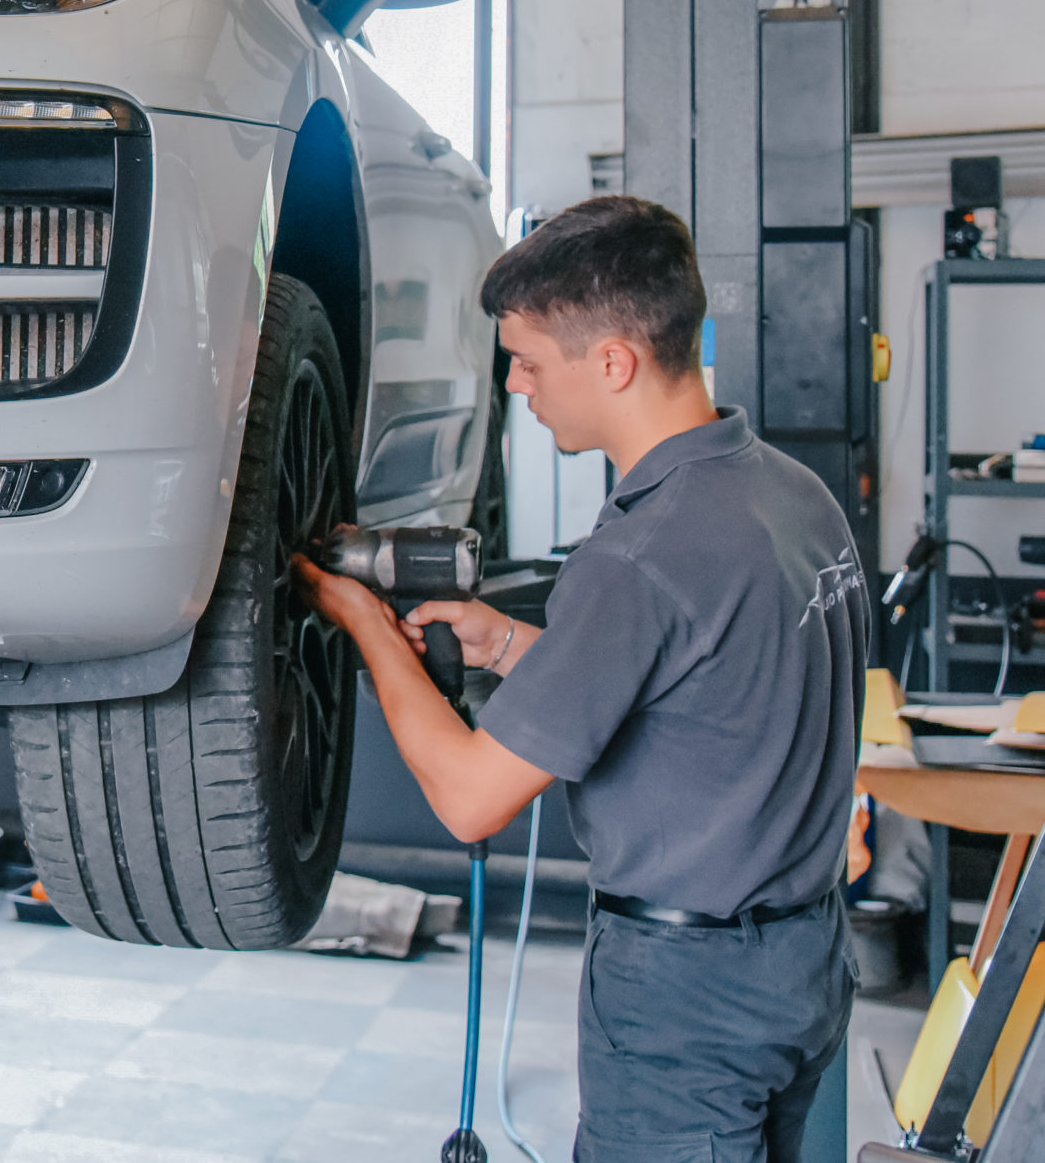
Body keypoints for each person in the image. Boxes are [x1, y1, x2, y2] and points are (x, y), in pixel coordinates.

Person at [295, 195, 867, 1163]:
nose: (514, 383)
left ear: (613, 361)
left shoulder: (640, 550)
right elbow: (712, 693)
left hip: (686, 998)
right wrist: (518, 648)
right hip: (803, 960)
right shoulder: (786, 492)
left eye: (526, 358)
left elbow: (471, 799)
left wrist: (364, 626)